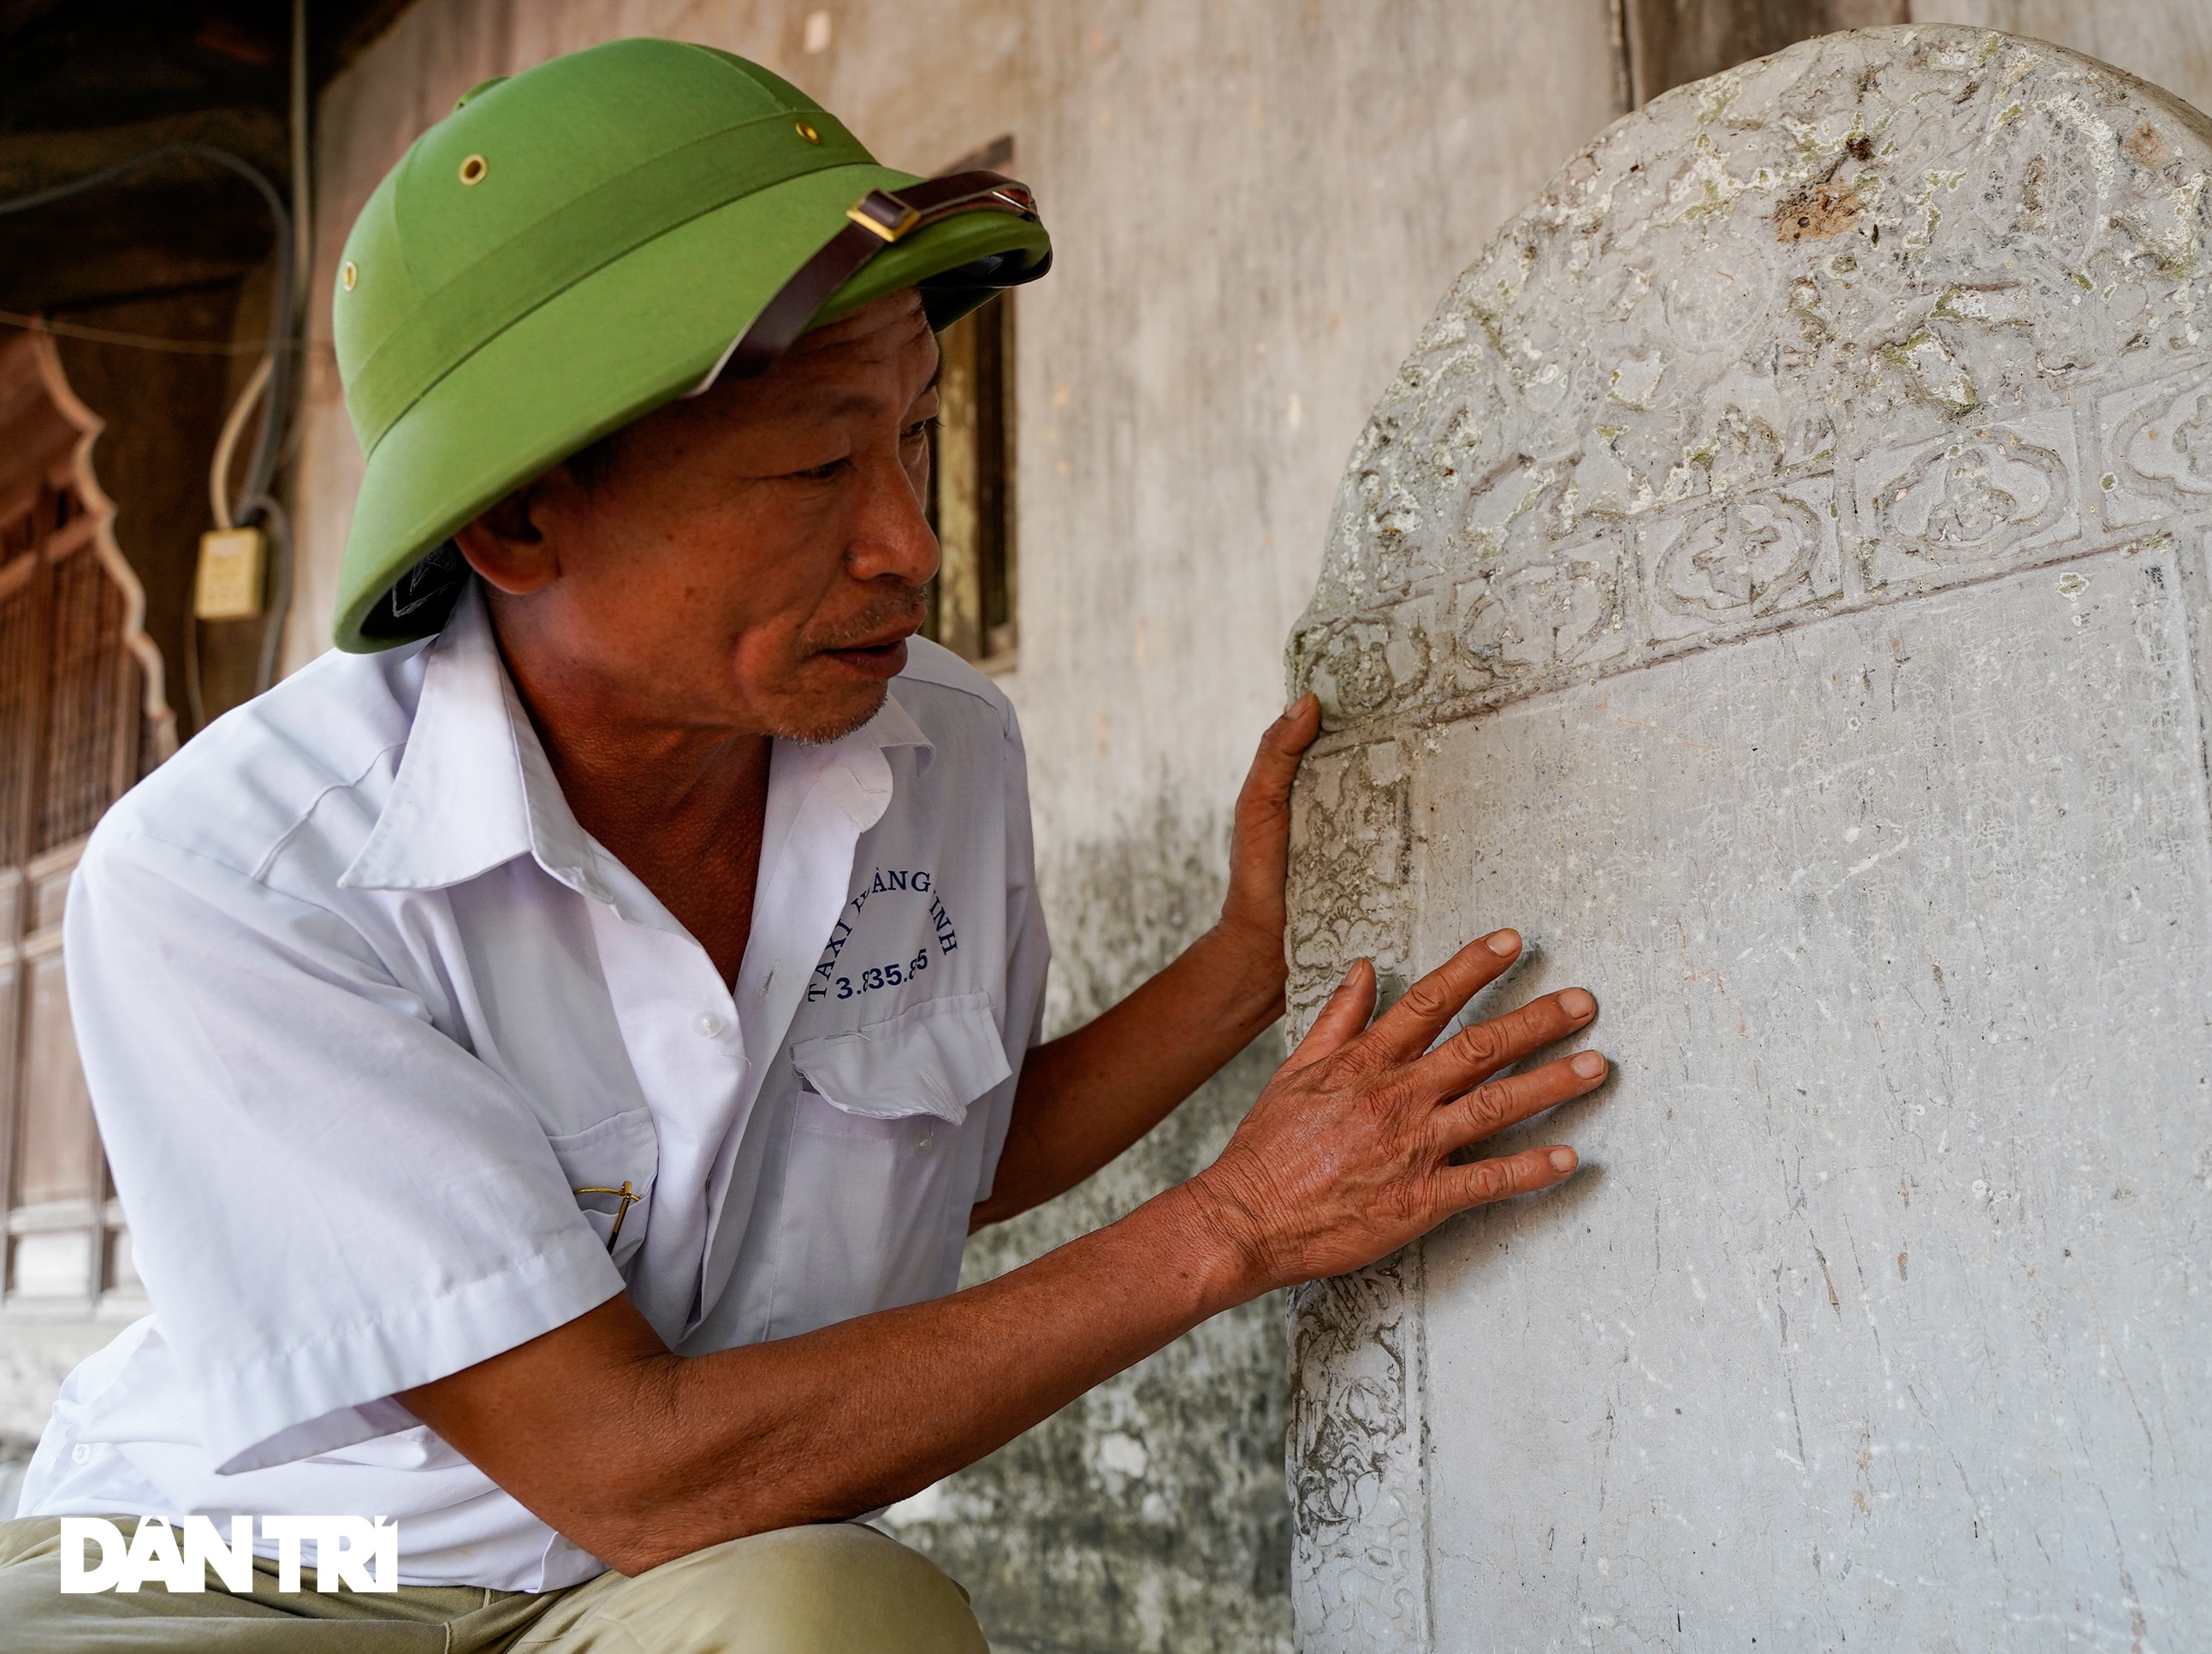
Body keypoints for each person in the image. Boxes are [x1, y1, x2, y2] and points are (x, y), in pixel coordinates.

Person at [0, 38, 1605, 1651]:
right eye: (814, 466)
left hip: (642, 1576)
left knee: (840, 1614)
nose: (907, 543)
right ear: (518, 522)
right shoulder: (239, 880)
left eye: (911, 437)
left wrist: (1249, 962)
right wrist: (1234, 1223)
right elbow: (627, 1469)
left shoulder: (939, 749)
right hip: (251, 1556)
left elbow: (947, 1157)